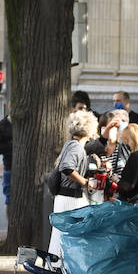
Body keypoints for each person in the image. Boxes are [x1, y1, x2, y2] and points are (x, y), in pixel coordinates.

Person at [48, 109, 96, 259]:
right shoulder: (76, 147)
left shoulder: (70, 144)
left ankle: (56, 267)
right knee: (67, 235)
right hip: (70, 198)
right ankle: (60, 268)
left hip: (65, 197)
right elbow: (67, 167)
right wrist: (85, 182)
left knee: (60, 234)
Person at [0, 106, 13, 212]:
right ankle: (10, 225)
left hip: (24, 167)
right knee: (9, 198)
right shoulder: (2, 125)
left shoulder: (25, 125)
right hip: (9, 165)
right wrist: (12, 145)